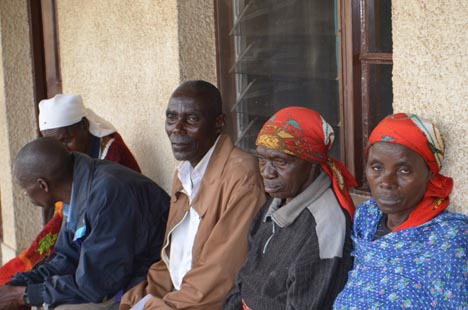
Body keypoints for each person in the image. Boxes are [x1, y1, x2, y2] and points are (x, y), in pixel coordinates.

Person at [119, 80, 266, 309]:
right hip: (177, 298)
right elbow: (170, 261)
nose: (177, 129)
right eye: (171, 117)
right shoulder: (184, 173)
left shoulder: (241, 176)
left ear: (219, 123)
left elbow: (219, 277)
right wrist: (139, 300)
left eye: (192, 119)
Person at [0, 137, 169, 309]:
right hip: (117, 277)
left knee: (58, 307)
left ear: (43, 185)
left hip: (150, 281)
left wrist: (24, 295)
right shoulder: (76, 188)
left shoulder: (108, 194)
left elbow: (96, 284)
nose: (23, 195)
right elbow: (66, 258)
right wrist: (17, 284)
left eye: (24, 188)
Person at [223, 107, 357, 310]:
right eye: (262, 159)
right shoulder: (276, 201)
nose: (267, 172)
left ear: (312, 165)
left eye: (280, 161)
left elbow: (307, 304)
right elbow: (245, 279)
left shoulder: (326, 224)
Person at [0, 94, 141, 285]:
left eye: (65, 139)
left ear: (83, 125)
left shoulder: (111, 159)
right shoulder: (73, 161)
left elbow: (106, 243)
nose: (62, 150)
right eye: (53, 145)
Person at [334, 113, 468, 308]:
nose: (386, 183)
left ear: (430, 173)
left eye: (404, 170)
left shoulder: (450, 239)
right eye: (377, 167)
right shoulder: (367, 216)